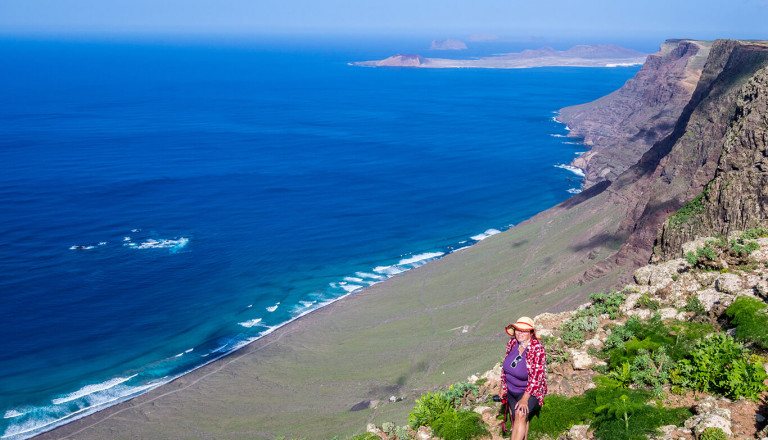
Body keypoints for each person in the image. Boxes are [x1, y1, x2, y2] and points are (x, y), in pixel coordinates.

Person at [501, 316, 547, 440]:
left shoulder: (537, 349)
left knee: (520, 413)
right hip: (512, 389)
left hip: (530, 390)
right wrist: (503, 386)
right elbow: (506, 366)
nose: (519, 333)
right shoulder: (512, 343)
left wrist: (525, 399)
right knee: (520, 418)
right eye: (517, 329)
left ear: (531, 333)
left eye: (524, 330)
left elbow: (537, 378)